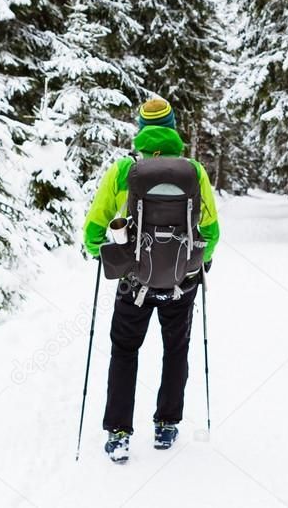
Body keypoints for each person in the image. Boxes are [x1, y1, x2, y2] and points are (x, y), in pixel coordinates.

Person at [83, 97, 219, 464]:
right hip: (182, 283)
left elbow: (92, 232)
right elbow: (211, 231)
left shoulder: (124, 170)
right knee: (176, 350)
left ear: (140, 129)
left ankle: (118, 433)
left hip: (134, 283)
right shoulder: (194, 171)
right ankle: (166, 424)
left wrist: (108, 254)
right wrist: (195, 263)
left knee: (124, 351)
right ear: (173, 128)